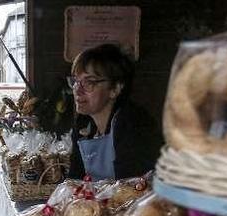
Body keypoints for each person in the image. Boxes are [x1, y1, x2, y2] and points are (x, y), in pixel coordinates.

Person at [68, 43, 163, 180]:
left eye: (89, 83)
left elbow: (131, 187)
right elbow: (75, 179)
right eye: (76, 81)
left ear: (115, 89)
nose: (78, 90)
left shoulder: (133, 124)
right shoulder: (83, 124)